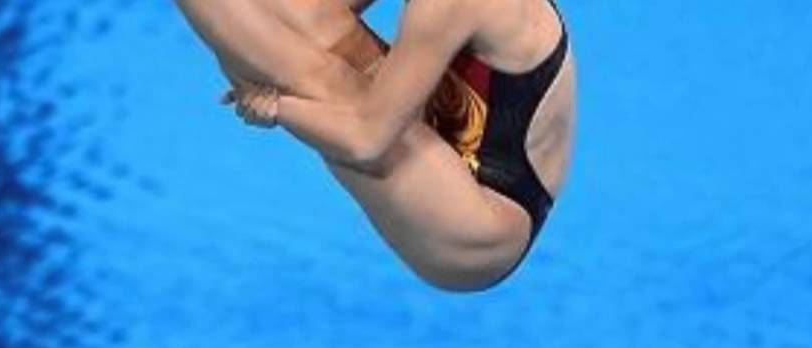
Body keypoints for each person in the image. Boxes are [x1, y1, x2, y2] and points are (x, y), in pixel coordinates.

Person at [173, 0, 576, 291]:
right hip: (444, 133)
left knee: (300, 76)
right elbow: (312, 13)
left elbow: (367, 141)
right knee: (302, 17)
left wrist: (276, 108)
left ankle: (278, 86)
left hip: (481, 227)